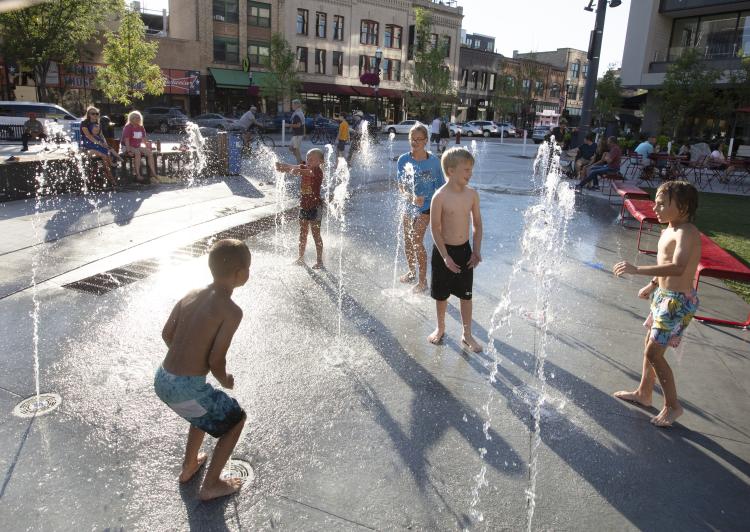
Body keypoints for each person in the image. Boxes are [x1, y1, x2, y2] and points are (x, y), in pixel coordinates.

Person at [154, 239, 250, 500]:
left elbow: (167, 333)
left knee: (201, 410)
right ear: (241, 274)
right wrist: (225, 379)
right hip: (185, 387)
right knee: (235, 420)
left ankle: (189, 466)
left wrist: (185, 360)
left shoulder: (191, 292)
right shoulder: (231, 311)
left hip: (162, 377)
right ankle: (211, 485)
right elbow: (216, 360)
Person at [613, 181, 700, 427]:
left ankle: (673, 406)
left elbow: (679, 266)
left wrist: (637, 269)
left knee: (654, 352)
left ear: (682, 208)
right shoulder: (669, 229)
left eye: (662, 204)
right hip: (663, 296)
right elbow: (665, 262)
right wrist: (653, 284)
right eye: (656, 202)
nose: (656, 207)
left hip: (677, 302)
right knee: (648, 345)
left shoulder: (687, 232)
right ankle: (644, 393)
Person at [428, 147, 483, 353]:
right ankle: (440, 327)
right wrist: (444, 257)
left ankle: (467, 334)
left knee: (466, 295)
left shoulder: (471, 195)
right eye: (466, 170)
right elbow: (435, 228)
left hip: (464, 251)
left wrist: (476, 250)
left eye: (471, 170)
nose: (470, 174)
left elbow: (477, 224)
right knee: (441, 296)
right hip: (443, 252)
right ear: (451, 171)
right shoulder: (439, 196)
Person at [396, 123, 445, 293]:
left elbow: (441, 187)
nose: (415, 142)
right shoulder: (404, 159)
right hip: (409, 206)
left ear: (425, 141)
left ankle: (423, 281)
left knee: (416, 241)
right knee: (408, 241)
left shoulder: (434, 162)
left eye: (419, 139)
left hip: (427, 207)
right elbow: (401, 185)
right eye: (412, 139)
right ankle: (411, 272)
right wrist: (411, 197)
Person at [276, 148, 325, 269]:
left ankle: (319, 261)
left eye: (312, 159)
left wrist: (287, 170)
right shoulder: (305, 167)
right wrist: (282, 165)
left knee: (316, 234)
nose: (309, 160)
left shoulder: (317, 172)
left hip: (315, 207)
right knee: (302, 233)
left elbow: (298, 171)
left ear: (320, 161)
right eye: (308, 158)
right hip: (304, 206)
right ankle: (300, 258)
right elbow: (294, 166)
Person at [80, 106, 118, 188]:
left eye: (96, 114)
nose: (95, 115)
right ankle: (110, 178)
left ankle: (109, 176)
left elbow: (101, 136)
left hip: (98, 145)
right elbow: (89, 136)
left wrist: (104, 144)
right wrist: (99, 144)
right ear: (88, 114)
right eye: (92, 113)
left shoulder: (98, 123)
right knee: (104, 155)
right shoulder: (84, 123)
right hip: (87, 146)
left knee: (106, 155)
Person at [121, 110, 158, 183]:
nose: (138, 119)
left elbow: (144, 140)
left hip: (136, 146)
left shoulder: (141, 127)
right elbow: (126, 140)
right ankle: (137, 174)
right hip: (126, 146)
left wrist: (149, 146)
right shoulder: (128, 127)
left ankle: (153, 173)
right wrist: (128, 151)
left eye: (139, 117)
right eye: (135, 118)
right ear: (131, 118)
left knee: (149, 153)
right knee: (137, 153)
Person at [288, 100, 305, 164]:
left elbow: (298, 125)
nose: (292, 106)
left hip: (298, 134)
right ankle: (300, 161)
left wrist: (288, 125)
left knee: (295, 149)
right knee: (291, 148)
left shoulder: (297, 114)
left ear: (297, 105)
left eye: (293, 105)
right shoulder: (298, 112)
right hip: (297, 134)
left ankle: (300, 162)